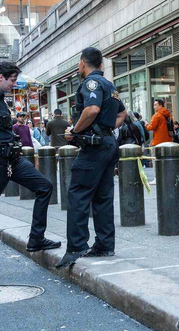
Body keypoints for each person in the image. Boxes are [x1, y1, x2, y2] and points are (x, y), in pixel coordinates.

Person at [0, 62, 61, 276]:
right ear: (0, 77)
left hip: (13, 160)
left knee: (44, 187)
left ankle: (36, 239)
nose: (14, 83)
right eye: (12, 79)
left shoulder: (0, 99)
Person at [55, 47, 126, 269]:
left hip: (95, 147)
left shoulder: (91, 83)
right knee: (103, 196)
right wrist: (105, 129)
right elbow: (122, 113)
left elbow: (92, 109)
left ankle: (76, 247)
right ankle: (104, 245)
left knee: (78, 193)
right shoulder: (110, 85)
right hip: (108, 143)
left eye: (79, 64)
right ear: (101, 64)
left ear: (82, 63)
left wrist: (75, 131)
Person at [145, 99, 172, 185]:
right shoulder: (168, 114)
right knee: (166, 161)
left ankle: (157, 178)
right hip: (167, 141)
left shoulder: (157, 115)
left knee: (156, 161)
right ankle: (166, 177)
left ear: (160, 105)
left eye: (155, 105)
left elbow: (151, 127)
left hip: (157, 142)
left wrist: (146, 124)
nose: (154, 107)